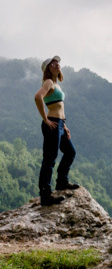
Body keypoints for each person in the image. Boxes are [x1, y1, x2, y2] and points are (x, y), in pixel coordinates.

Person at [33, 56, 80, 206]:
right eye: (53, 63)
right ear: (48, 68)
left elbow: (59, 106)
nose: (57, 64)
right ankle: (45, 195)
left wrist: (64, 126)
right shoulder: (48, 82)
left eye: (57, 62)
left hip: (60, 125)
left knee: (70, 152)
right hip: (52, 124)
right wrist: (46, 119)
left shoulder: (56, 85)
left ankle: (61, 182)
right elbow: (37, 97)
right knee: (50, 159)